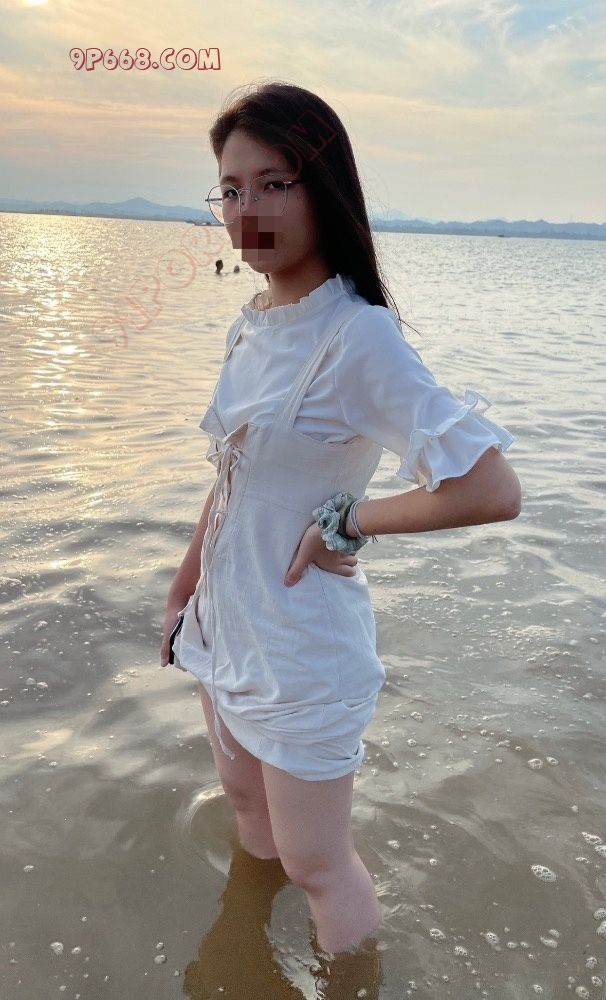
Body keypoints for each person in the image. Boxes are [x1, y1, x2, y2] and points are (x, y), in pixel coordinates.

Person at [160, 80, 521, 957]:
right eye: (230, 189)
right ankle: (245, 956)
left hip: (300, 649)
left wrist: (350, 521)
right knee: (248, 813)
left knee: (320, 866)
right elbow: (232, 481)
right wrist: (182, 593)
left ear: (323, 188)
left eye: (272, 183)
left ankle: (351, 980)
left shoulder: (357, 337)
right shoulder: (255, 324)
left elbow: (489, 488)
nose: (247, 210)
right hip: (227, 626)